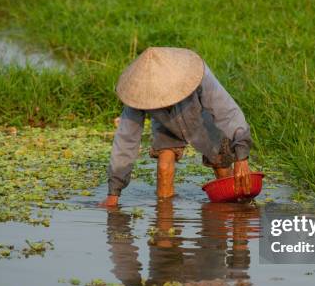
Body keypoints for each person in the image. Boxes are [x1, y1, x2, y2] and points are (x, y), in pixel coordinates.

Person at [99, 47, 252, 207]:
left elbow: (227, 112)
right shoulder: (138, 93)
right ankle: (165, 221)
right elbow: (125, 141)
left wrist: (242, 156)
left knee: (221, 167)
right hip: (165, 124)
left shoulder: (197, 75)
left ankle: (233, 209)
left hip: (201, 118)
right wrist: (113, 193)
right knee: (164, 167)